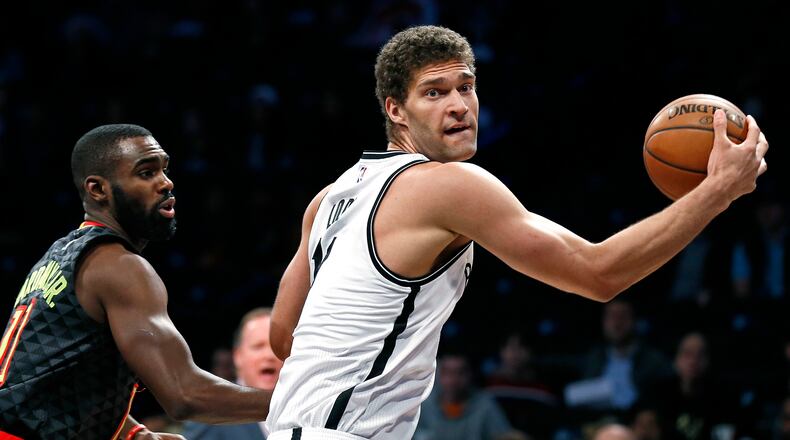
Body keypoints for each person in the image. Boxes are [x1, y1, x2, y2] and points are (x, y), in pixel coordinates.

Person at [265, 25, 769, 440]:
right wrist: (718, 190)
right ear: (395, 110)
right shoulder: (446, 186)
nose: (459, 106)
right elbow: (599, 274)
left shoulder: (329, 198)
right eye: (434, 93)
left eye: (465, 87)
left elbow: (285, 337)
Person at [0, 124, 271, 439]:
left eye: (164, 170)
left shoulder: (62, 256)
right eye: (146, 173)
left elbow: (50, 383)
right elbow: (185, 395)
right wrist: (297, 400)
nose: (166, 183)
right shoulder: (119, 267)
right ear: (98, 190)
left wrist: (134, 433)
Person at [183, 307, 284, 439]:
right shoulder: (212, 414)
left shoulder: (307, 409)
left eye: (275, 347)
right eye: (258, 346)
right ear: (238, 356)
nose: (269, 355)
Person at [565, 300, 672, 412]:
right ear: (603, 322)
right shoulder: (594, 358)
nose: (617, 323)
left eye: (623, 316)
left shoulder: (654, 361)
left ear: (634, 321)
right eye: (611, 316)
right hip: (596, 421)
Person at [414, 352, 515, 440]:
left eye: (460, 373)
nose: (453, 380)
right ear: (438, 374)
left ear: (471, 374)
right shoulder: (423, 404)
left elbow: (506, 436)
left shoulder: (485, 405)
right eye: (448, 373)